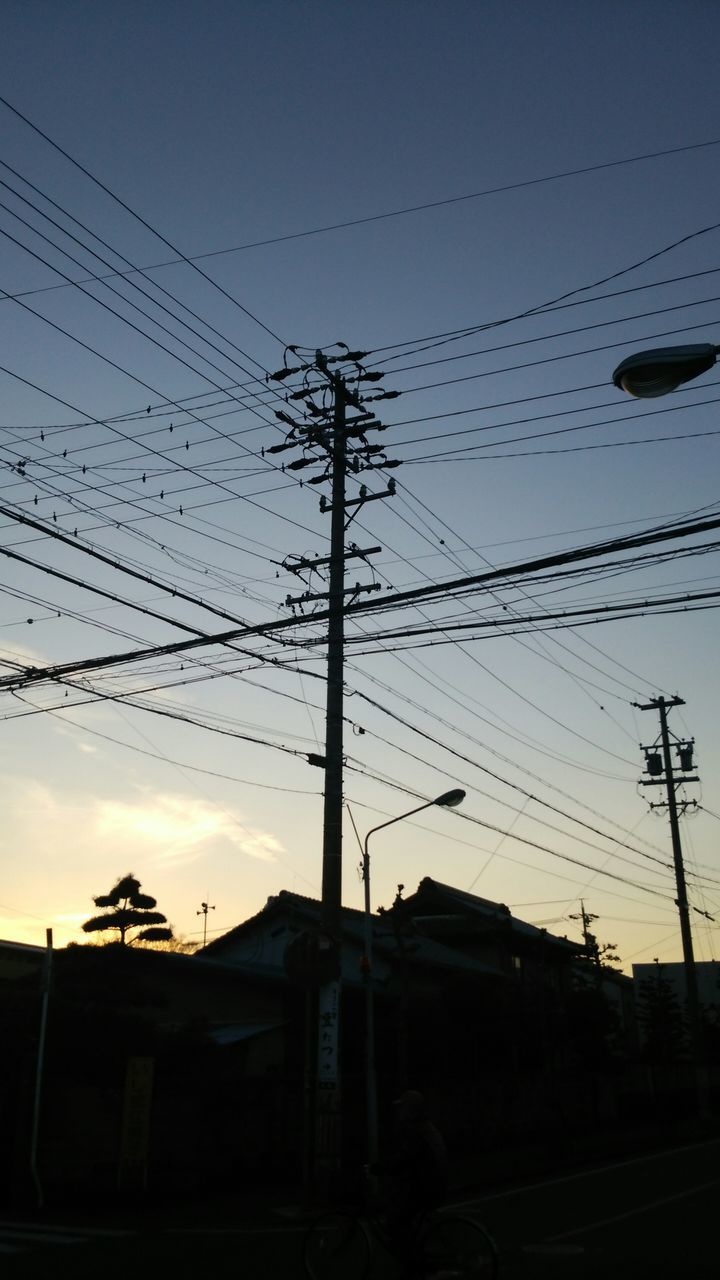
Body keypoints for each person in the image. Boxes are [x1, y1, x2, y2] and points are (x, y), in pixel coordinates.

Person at [373, 1089, 448, 1273]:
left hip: (426, 1188)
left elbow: (404, 1158)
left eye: (403, 1108)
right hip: (433, 1184)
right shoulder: (425, 1127)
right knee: (404, 1218)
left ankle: (413, 1265)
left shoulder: (415, 1130)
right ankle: (414, 1260)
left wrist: (382, 1168)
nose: (400, 1112)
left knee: (396, 1221)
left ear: (412, 1111)